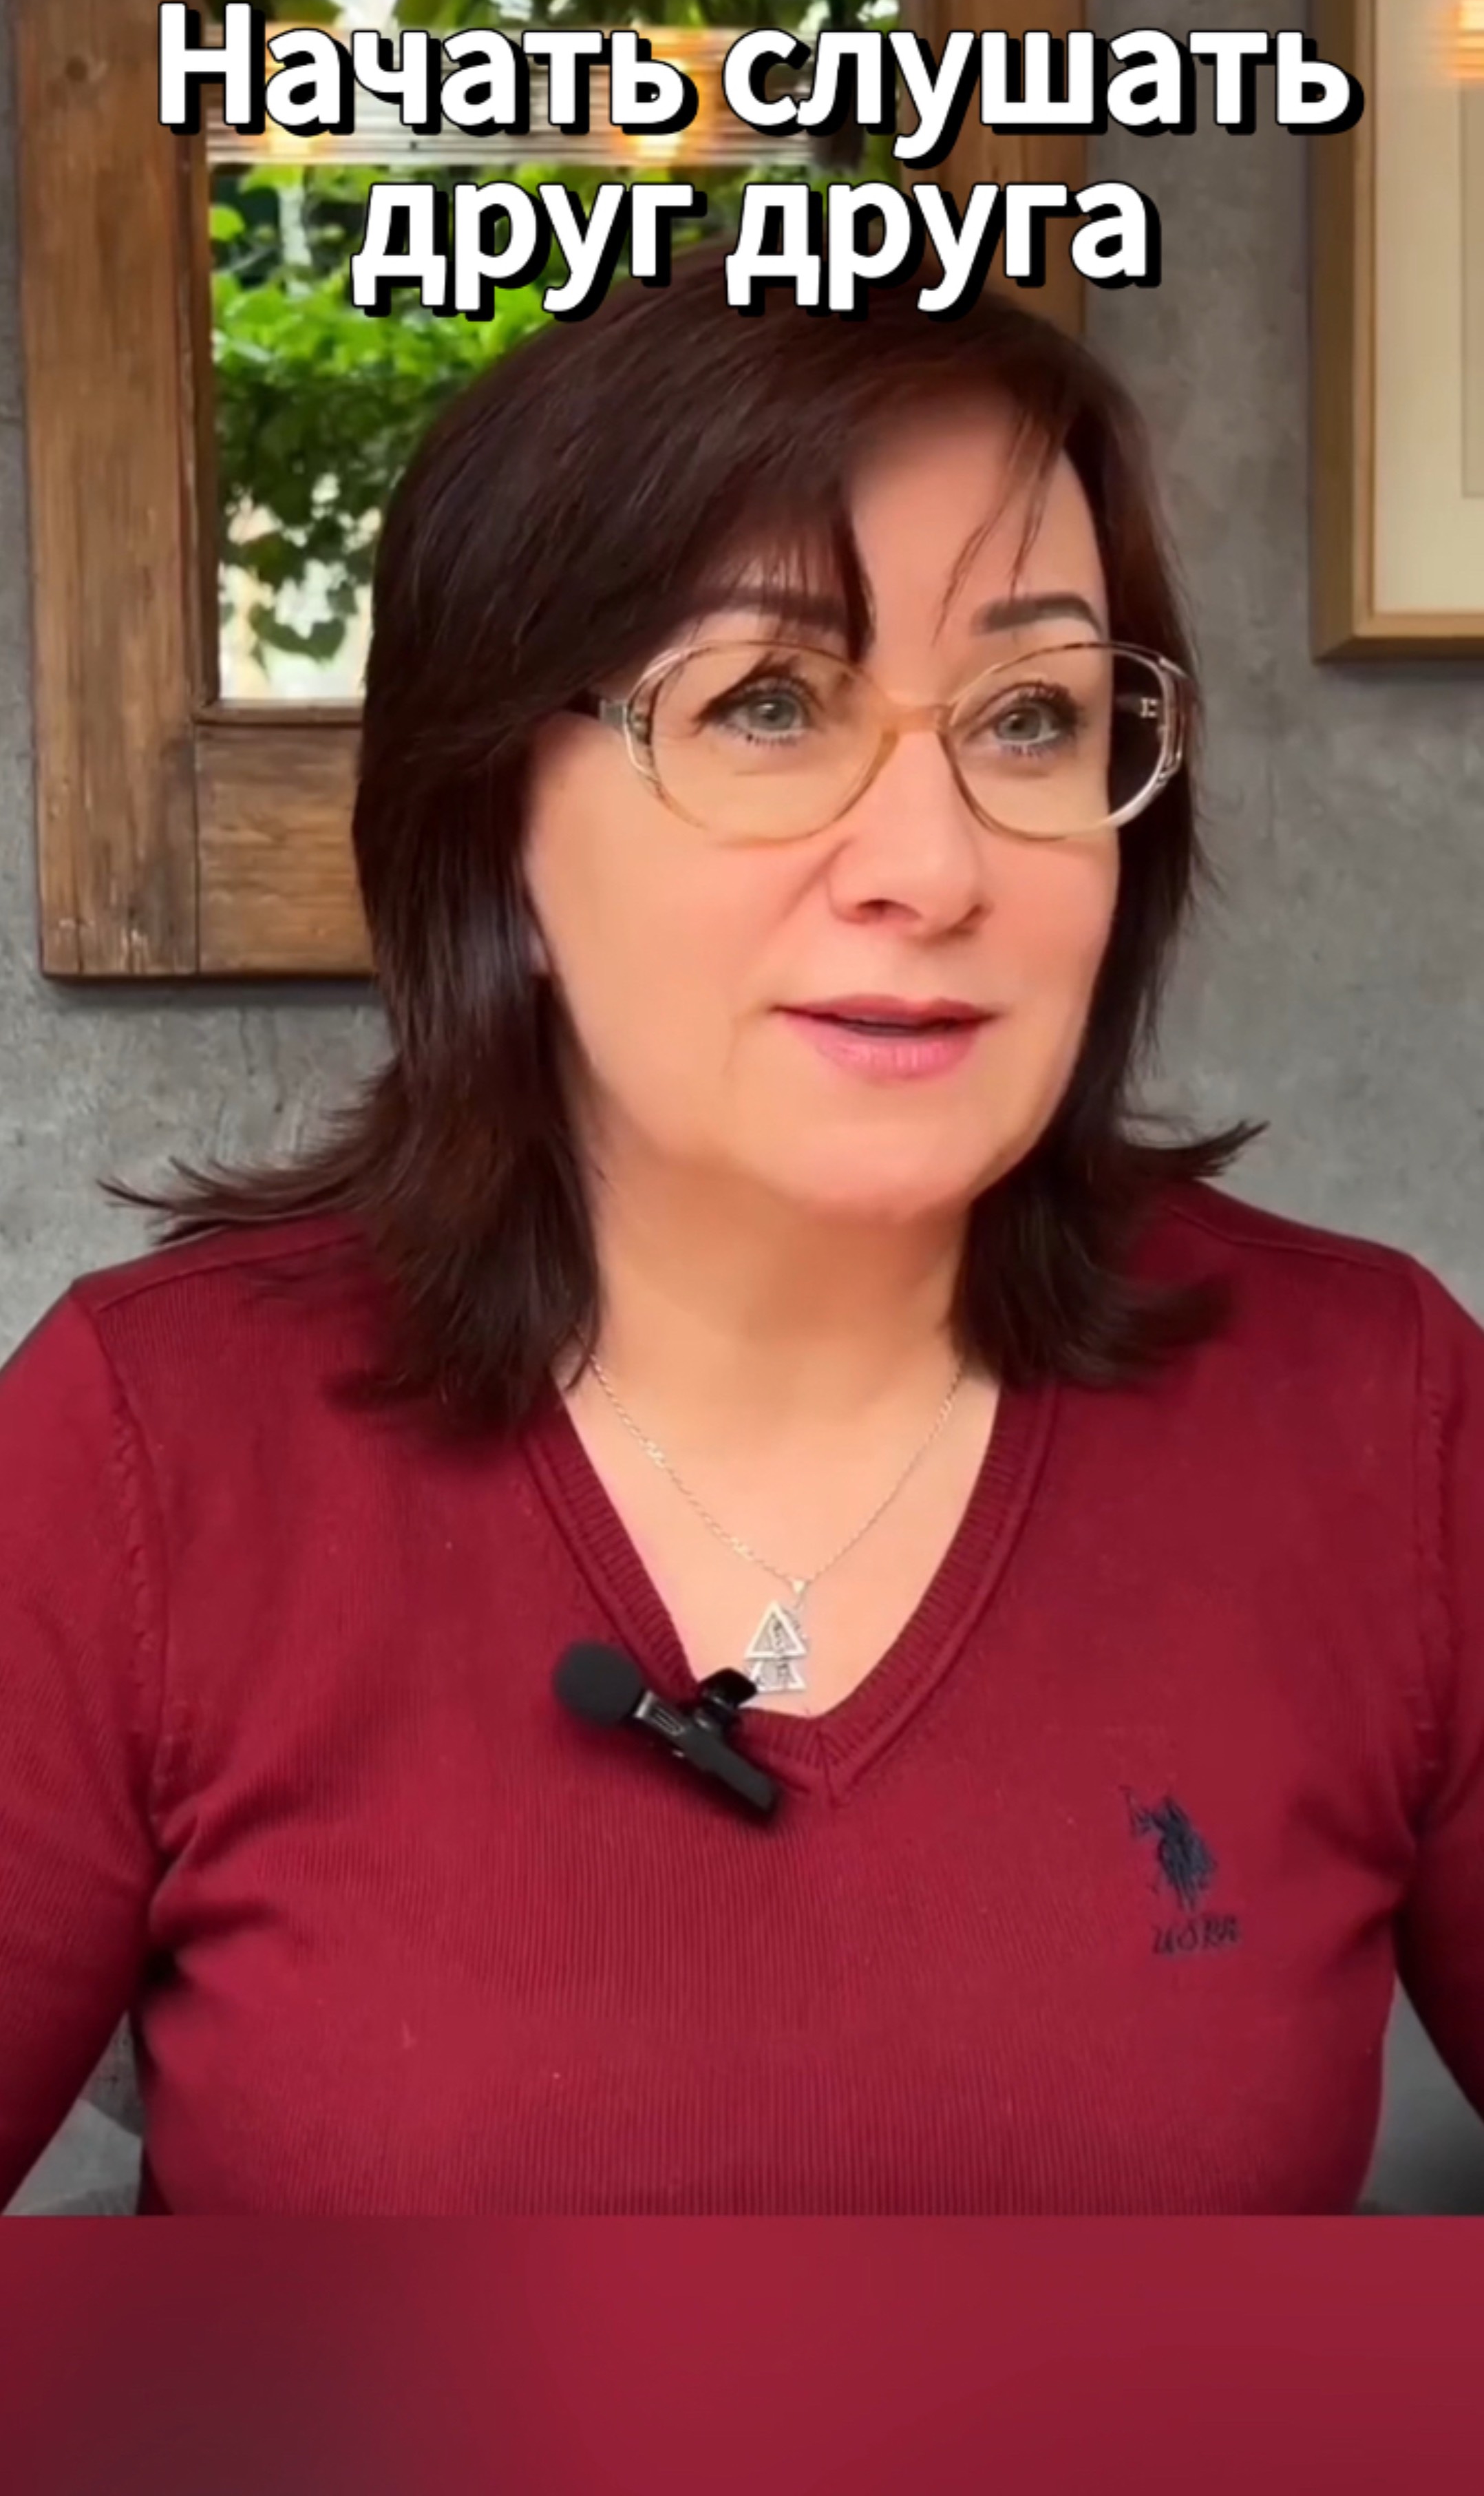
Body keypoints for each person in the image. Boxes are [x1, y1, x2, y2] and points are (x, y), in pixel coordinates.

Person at [1, 244, 1481, 2216]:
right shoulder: (147, 1449)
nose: (934, 865)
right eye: (769, 704)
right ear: (493, 823)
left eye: (1028, 718)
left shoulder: (1374, 1411)